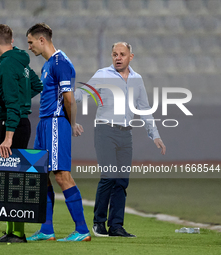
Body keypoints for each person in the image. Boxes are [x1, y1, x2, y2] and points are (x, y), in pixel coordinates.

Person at [75, 42, 166, 237]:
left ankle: (116, 226)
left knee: (121, 181)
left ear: (130, 57)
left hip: (126, 133)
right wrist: (64, 95)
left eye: (122, 54)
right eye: (115, 54)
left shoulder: (137, 79)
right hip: (105, 130)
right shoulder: (102, 75)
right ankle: (98, 223)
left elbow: (144, 108)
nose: (118, 57)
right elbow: (81, 94)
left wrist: (155, 134)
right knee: (109, 176)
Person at [26, 23, 91, 242]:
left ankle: (82, 230)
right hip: (44, 124)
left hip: (56, 123)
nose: (30, 47)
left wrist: (72, 124)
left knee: (62, 175)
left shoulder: (61, 63)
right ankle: (46, 230)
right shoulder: (47, 65)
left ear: (42, 40)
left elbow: (69, 98)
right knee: (41, 175)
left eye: (31, 42)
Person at [0, 24, 43, 243]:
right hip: (16, 123)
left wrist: (8, 135)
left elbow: (12, 103)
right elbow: (36, 85)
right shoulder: (20, 62)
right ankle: (13, 230)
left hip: (13, 125)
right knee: (12, 178)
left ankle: (18, 233)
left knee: (13, 180)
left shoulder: (7, 66)